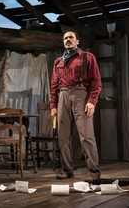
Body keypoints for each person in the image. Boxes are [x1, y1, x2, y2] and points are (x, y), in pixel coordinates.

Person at [50, 31, 102, 182]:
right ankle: (67, 169)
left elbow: (96, 82)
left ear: (77, 41)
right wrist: (53, 105)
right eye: (65, 38)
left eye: (71, 37)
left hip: (80, 94)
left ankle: (93, 171)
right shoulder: (58, 61)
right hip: (63, 96)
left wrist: (92, 101)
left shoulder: (87, 57)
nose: (68, 40)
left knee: (86, 135)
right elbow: (54, 85)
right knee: (63, 136)